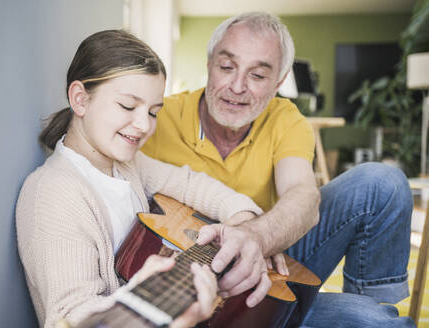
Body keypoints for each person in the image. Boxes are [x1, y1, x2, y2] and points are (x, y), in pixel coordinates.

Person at [141, 12, 415, 327]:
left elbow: (302, 194)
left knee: (383, 183)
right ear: (209, 64)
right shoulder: (156, 116)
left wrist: (257, 237)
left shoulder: (286, 119)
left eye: (258, 75)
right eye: (227, 67)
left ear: (279, 82)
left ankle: (374, 306)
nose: (237, 86)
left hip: (272, 267)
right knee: (370, 322)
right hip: (185, 276)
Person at [15, 29, 268, 328]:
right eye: (128, 106)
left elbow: (192, 184)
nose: (143, 125)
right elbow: (71, 314)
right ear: (80, 99)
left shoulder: (126, 164)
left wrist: (246, 226)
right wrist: (135, 298)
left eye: (153, 112)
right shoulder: (53, 194)